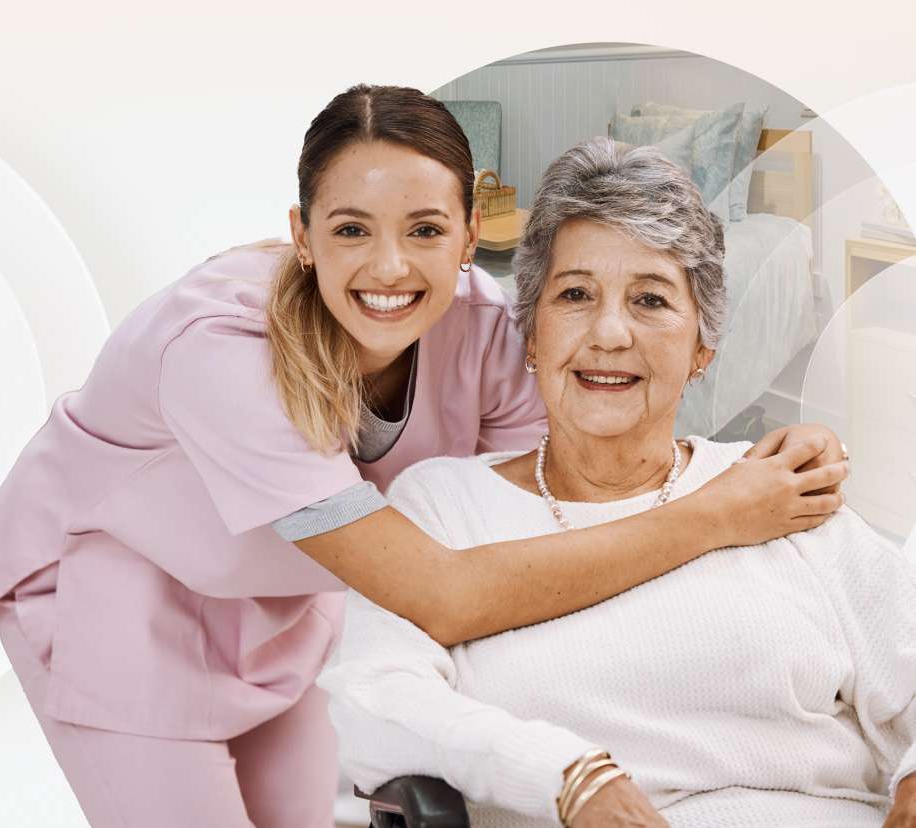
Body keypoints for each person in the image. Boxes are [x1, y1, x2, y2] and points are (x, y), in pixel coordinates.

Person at [0, 86, 849, 828]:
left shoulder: (491, 327)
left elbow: (582, 469)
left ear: (472, 231)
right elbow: (446, 591)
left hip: (292, 603)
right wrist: (719, 512)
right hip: (123, 592)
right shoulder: (220, 350)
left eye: (424, 230)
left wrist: (770, 459)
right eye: (351, 230)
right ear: (301, 235)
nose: (389, 268)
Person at [318, 137, 916, 828]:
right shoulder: (444, 508)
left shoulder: (777, 490)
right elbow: (369, 699)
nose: (608, 332)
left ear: (701, 346)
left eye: (650, 300)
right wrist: (566, 776)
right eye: (574, 295)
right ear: (531, 334)